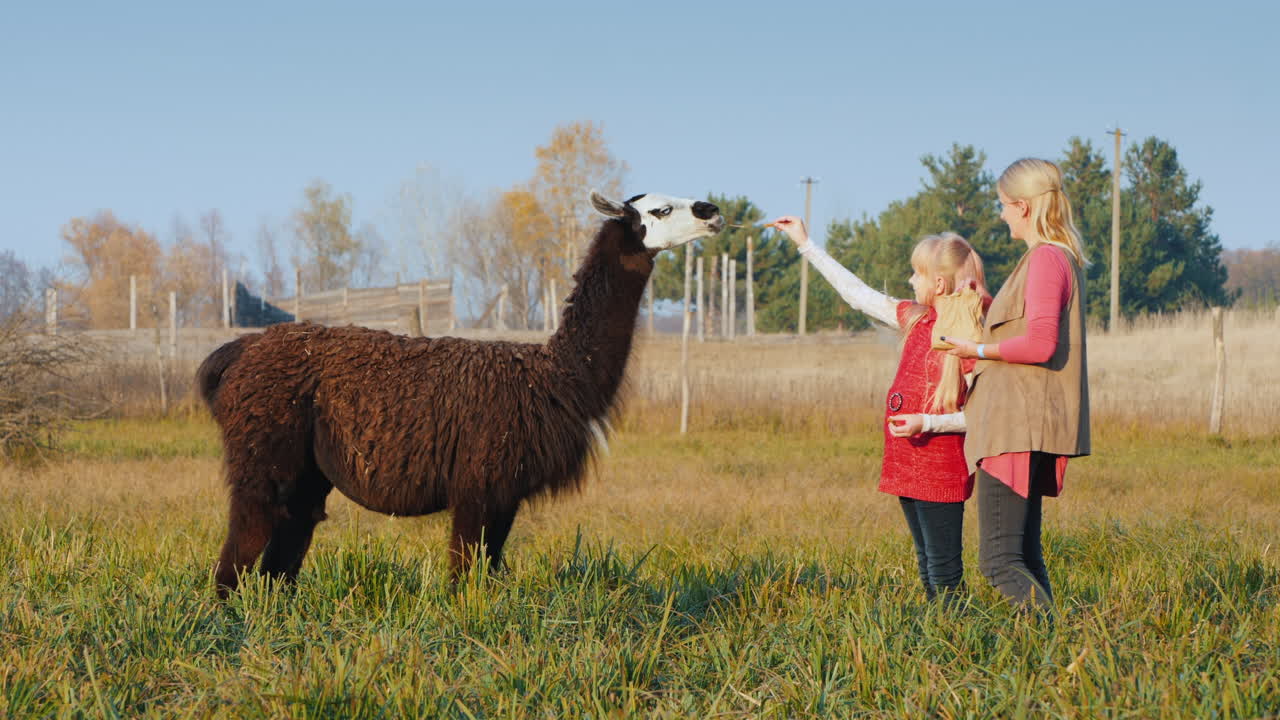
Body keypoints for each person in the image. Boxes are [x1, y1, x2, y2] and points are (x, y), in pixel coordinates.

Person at [772, 216, 988, 603]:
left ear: (938, 284)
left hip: (942, 469)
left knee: (944, 568)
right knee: (925, 562)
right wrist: (806, 244)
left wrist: (929, 422)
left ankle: (958, 638)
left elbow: (983, 416)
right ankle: (938, 638)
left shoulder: (970, 340)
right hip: (906, 463)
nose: (910, 281)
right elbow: (857, 294)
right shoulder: (917, 319)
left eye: (916, 273)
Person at [940, 157, 1091, 613]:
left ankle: (1055, 650)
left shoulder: (1045, 258)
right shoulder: (1055, 258)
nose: (1001, 213)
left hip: (1015, 424)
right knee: (1023, 556)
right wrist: (987, 305)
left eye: (1003, 205)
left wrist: (975, 351)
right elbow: (1028, 328)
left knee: (999, 561)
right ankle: (1055, 655)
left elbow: (1041, 344)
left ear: (1023, 206)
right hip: (1028, 421)